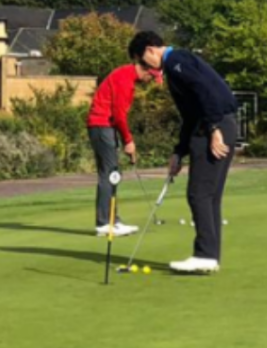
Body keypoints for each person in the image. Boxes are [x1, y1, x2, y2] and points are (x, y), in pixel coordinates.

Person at [128, 31, 238, 274]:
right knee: (209, 196)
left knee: (199, 193)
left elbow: (204, 93)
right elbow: (189, 113)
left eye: (143, 62)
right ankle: (210, 256)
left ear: (150, 50)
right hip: (216, 124)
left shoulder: (176, 62)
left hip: (214, 126)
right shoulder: (178, 62)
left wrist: (213, 128)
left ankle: (205, 255)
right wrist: (179, 151)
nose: (146, 68)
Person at [86, 59, 161, 236]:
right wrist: (128, 140)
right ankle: (104, 223)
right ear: (147, 71)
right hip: (101, 125)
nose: (151, 80)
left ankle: (113, 220)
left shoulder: (126, 75)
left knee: (113, 173)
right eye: (152, 76)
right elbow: (119, 115)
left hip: (104, 126)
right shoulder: (125, 80)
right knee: (109, 173)